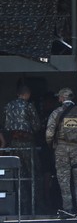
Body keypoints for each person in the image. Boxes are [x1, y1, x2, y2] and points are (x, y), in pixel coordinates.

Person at [45, 88, 77, 212]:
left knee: (63, 180)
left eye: (59, 97)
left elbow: (49, 134)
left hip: (61, 150)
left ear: (62, 98)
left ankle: (67, 209)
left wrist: (53, 146)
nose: (58, 99)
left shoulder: (56, 113)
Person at [2, 84, 41, 213]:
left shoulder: (8, 106)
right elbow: (36, 126)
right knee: (34, 174)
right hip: (27, 143)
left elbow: (5, 126)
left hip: (14, 142)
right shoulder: (28, 106)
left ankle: (21, 208)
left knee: (19, 176)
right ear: (27, 94)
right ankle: (35, 207)